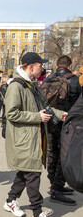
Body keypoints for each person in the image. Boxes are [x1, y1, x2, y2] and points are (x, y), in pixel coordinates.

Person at [3, 52, 68, 217]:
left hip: (34, 138)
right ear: (30, 67)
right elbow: (11, 113)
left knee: (25, 173)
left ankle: (10, 201)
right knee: (33, 174)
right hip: (25, 140)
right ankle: (37, 211)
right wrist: (37, 117)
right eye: (40, 65)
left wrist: (62, 115)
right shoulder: (16, 86)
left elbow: (46, 107)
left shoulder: (31, 85)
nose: (43, 68)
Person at [45, 55, 81, 206]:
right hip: (67, 123)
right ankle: (57, 188)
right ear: (70, 66)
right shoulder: (74, 80)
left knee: (52, 151)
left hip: (50, 120)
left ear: (58, 65)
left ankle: (53, 183)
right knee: (64, 153)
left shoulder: (48, 79)